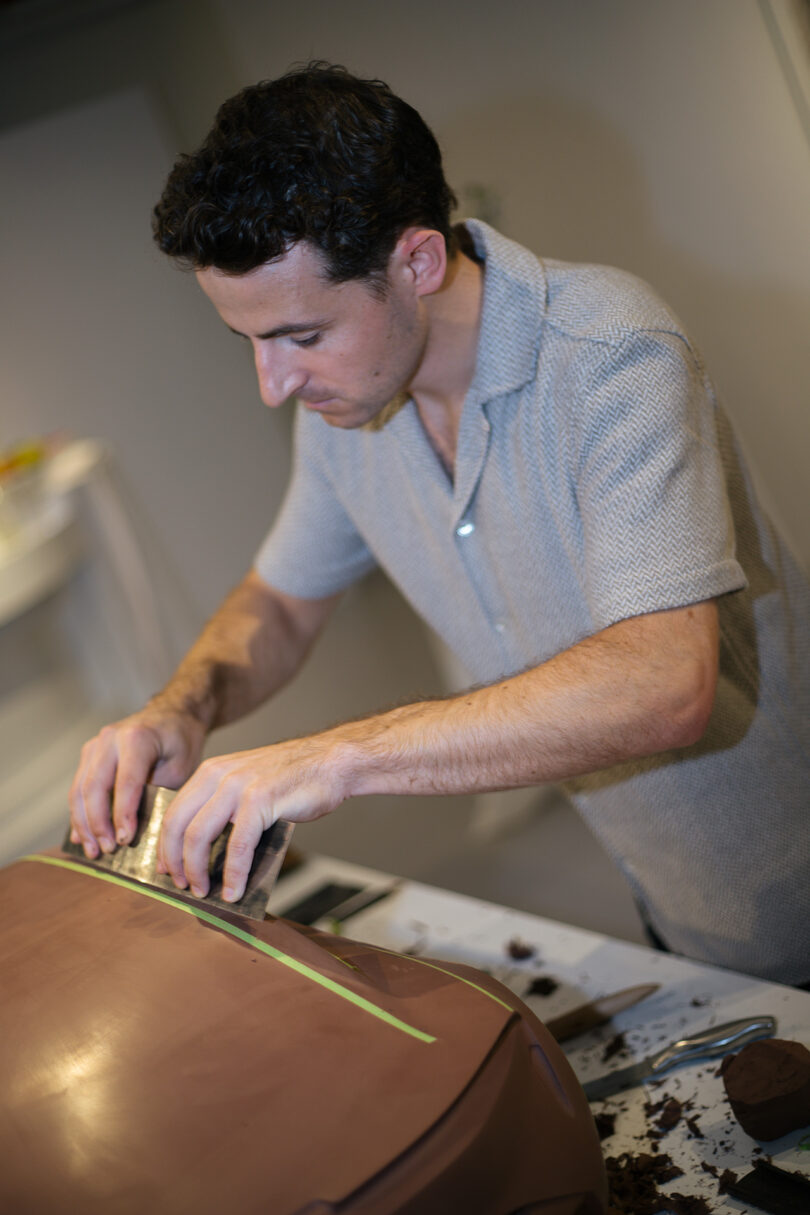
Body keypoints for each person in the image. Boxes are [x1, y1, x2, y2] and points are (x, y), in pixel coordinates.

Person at [69, 63, 810, 985]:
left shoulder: (609, 352)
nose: (274, 385)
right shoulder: (347, 411)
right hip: (680, 900)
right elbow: (283, 603)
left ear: (416, 263)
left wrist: (337, 756)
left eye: (302, 335)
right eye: (250, 341)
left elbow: (665, 681)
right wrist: (181, 710)